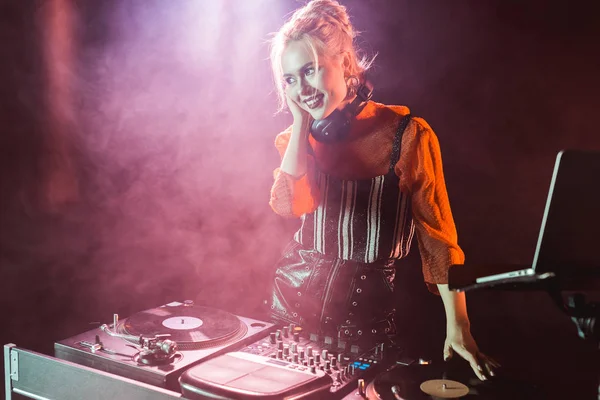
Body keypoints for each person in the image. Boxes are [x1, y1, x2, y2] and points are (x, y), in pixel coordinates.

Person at [265, 0, 498, 381]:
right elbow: (291, 206)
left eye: (310, 71)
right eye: (290, 79)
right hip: (289, 308)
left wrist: (459, 325)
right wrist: (299, 126)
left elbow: (438, 240)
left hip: (367, 321)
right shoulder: (296, 140)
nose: (301, 89)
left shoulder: (407, 136)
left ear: (343, 62)